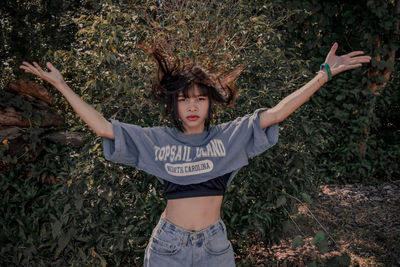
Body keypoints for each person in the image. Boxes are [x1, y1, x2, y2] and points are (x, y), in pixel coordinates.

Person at [20, 42, 371, 266]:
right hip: (168, 248)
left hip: (215, 247)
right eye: (184, 99)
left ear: (210, 104)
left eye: (200, 99)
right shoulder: (158, 140)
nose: (192, 106)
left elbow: (277, 113)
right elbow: (102, 127)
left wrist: (323, 74)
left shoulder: (229, 136)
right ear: (174, 103)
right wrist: (62, 85)